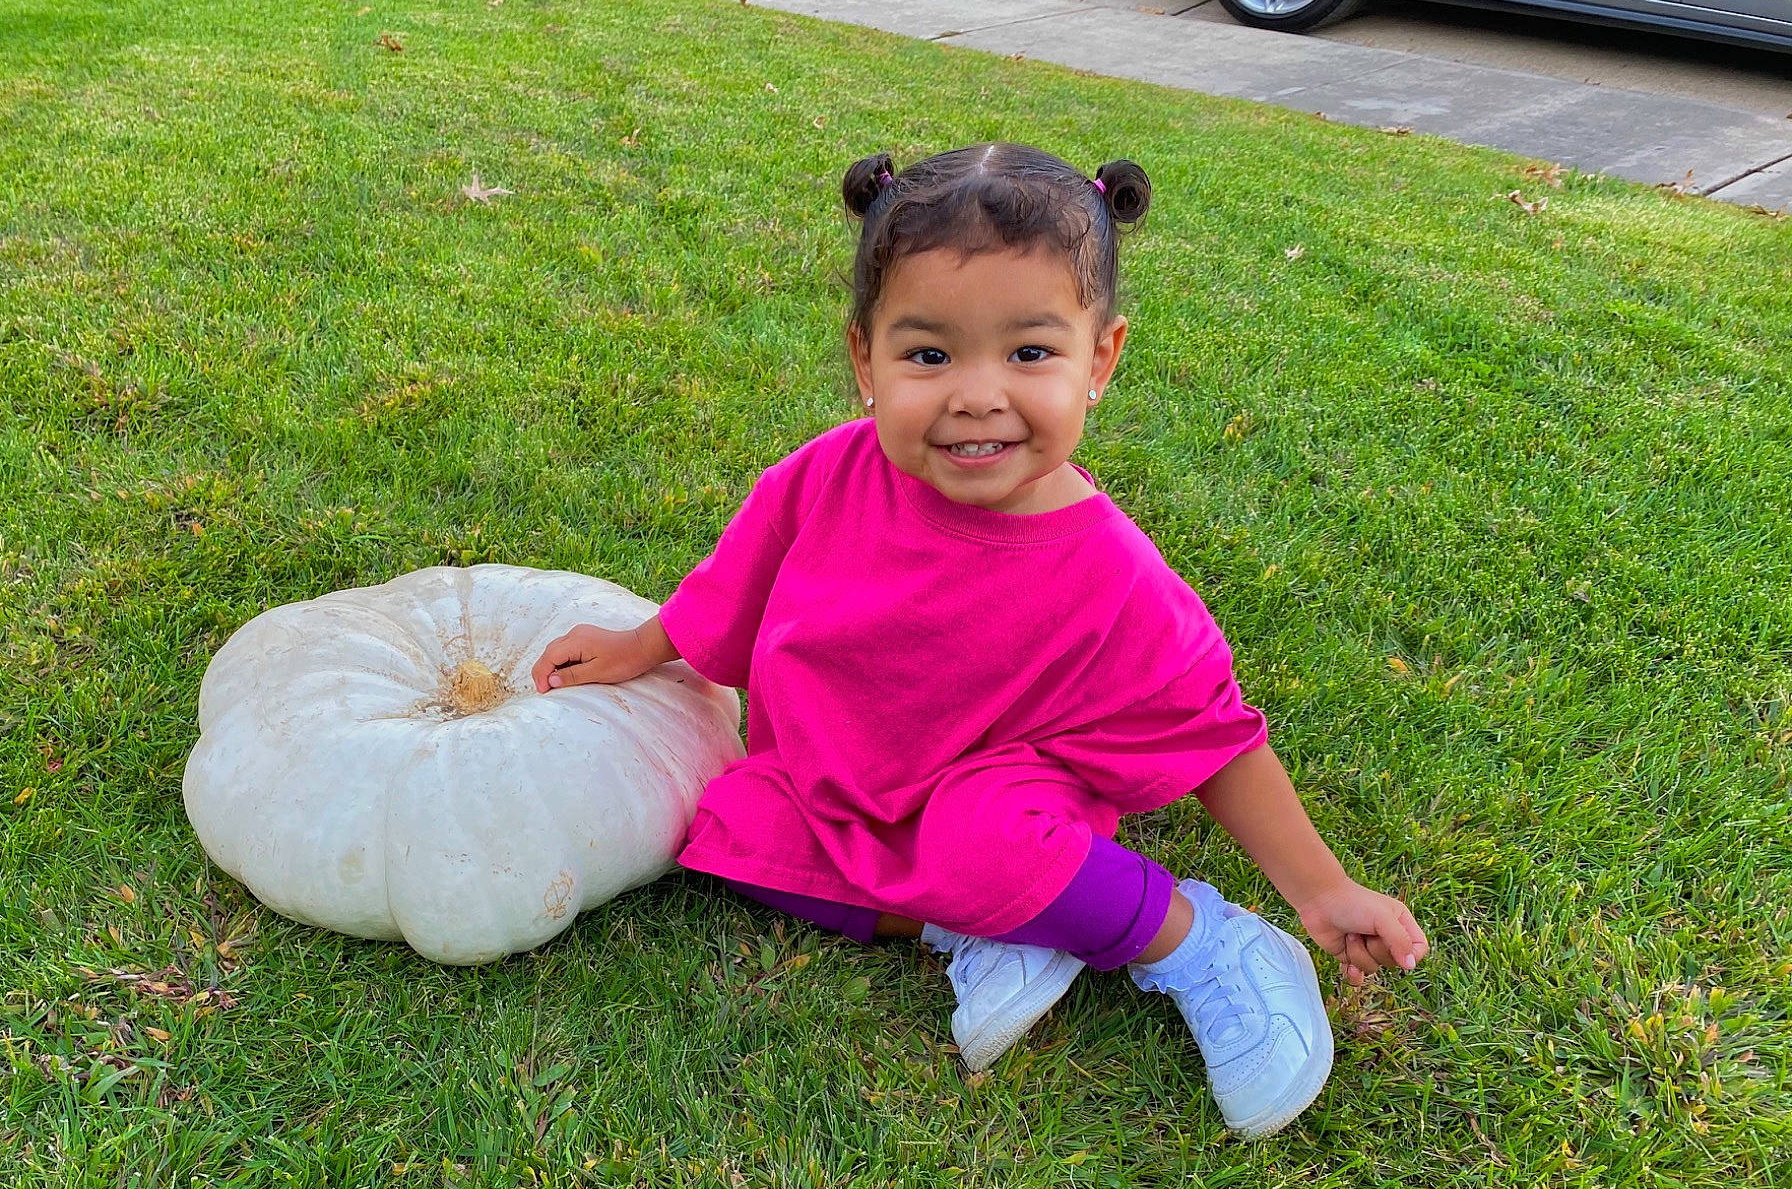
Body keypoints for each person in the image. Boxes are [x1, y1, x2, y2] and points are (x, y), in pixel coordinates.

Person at [530, 143, 1427, 1138]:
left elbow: (1211, 737)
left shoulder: (1112, 576)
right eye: (928, 354)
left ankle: (1195, 943)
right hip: (846, 775)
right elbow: (736, 578)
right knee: (728, 828)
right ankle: (985, 925)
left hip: (999, 791)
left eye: (1028, 353)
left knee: (981, 847)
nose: (975, 394)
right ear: (863, 359)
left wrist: (1319, 888)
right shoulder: (827, 473)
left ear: (1100, 360)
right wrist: (643, 644)